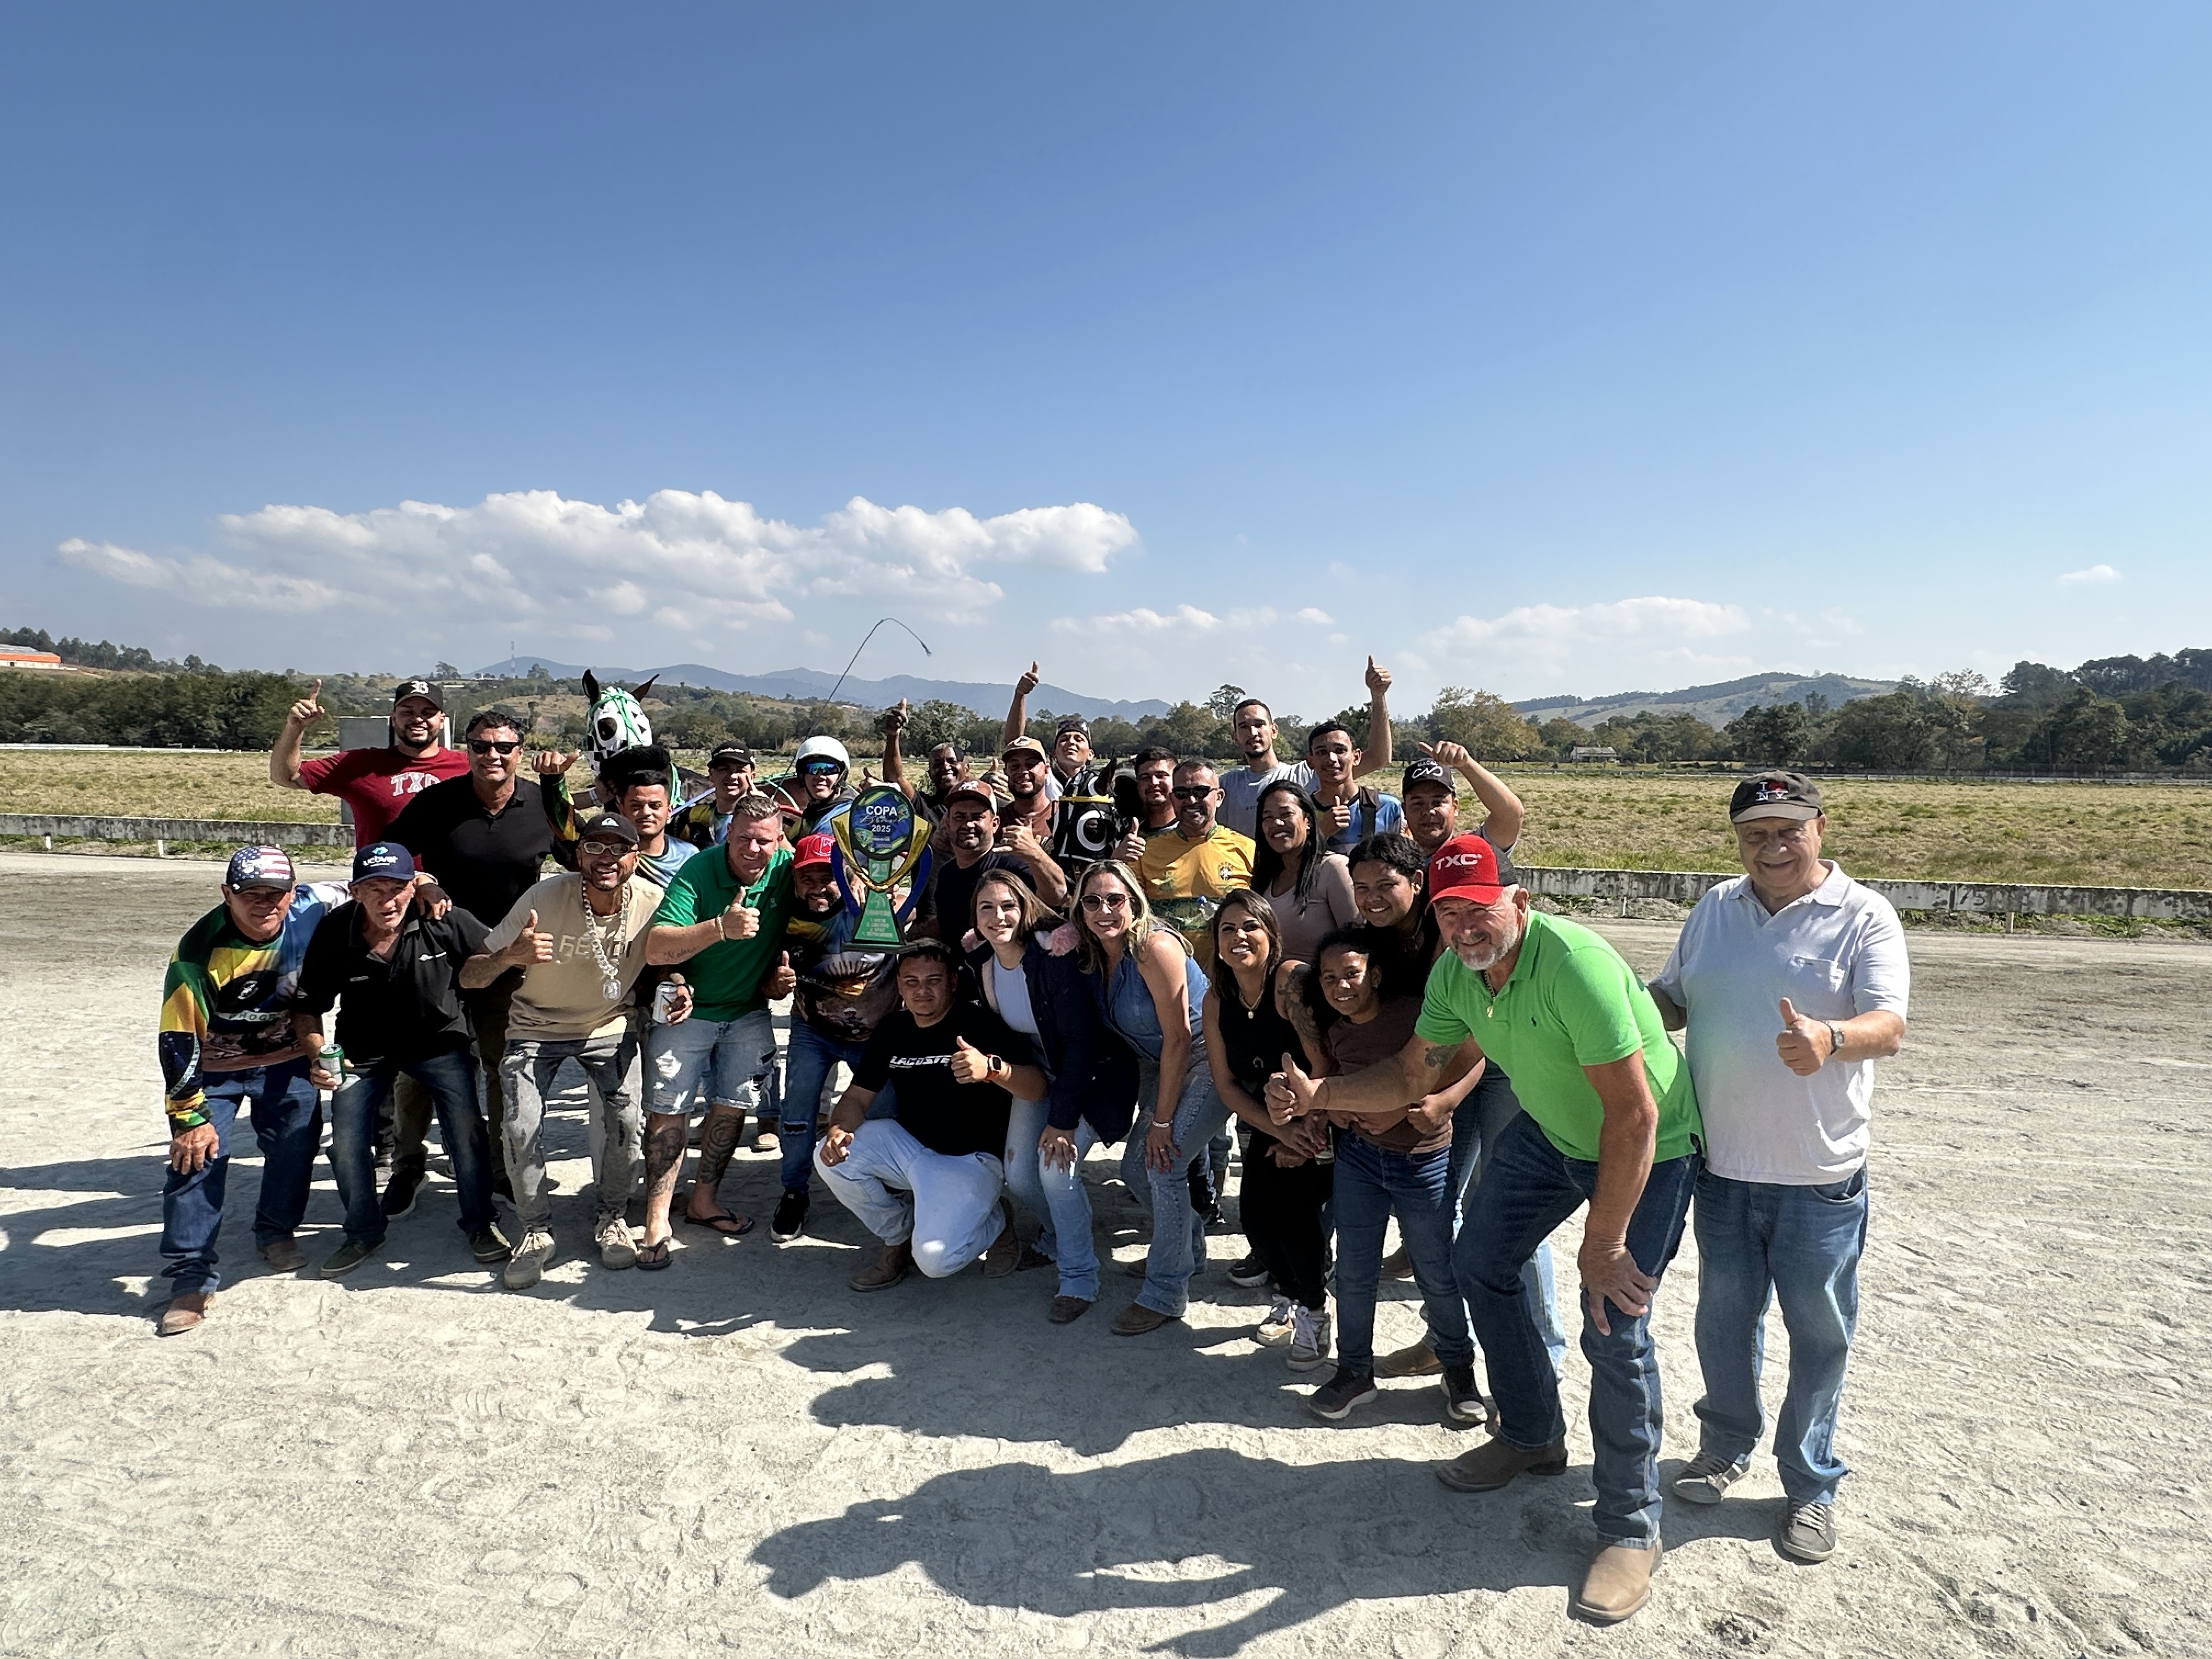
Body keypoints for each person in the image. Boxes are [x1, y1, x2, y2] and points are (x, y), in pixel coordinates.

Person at [1267, 832, 1701, 1626]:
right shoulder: (1455, 975)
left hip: (1648, 1143)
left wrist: (1603, 1244)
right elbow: (1411, 1075)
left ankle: (1630, 1527)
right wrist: (1320, 1095)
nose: (1466, 926)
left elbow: (1634, 1115)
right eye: (1449, 912)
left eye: (1480, 908)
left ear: (1519, 902)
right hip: (1554, 1132)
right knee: (1480, 1263)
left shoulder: (1574, 965)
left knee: (1613, 1319)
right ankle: (1532, 1435)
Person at [1646, 772, 1909, 1566]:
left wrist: (1831, 1038)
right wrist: (1616, 1006)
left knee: (1820, 1333)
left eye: (1788, 830)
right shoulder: (1714, 909)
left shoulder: (1865, 914)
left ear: (1820, 828)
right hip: (1722, 1165)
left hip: (1819, 1173)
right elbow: (1673, 999)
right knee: (1724, 1321)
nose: (1773, 847)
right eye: (1756, 834)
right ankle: (1726, 1446)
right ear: (1738, 841)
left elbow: (1889, 1025)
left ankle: (1810, 1483)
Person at [1345, 832, 1568, 1381]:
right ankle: (1447, 1338)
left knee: (1509, 1207)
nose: (1373, 898)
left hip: (1493, 1068)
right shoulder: (1372, 941)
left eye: (1385, 885)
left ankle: (1544, 1358)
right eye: (1361, 888)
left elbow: (1472, 1034)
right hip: (1433, 1074)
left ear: (1416, 884)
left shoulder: (1449, 934)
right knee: (1436, 1212)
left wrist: (1439, 1099)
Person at [461, 811, 676, 1290]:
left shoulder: (653, 900)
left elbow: (672, 963)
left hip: (608, 1024)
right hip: (535, 1026)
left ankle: (612, 1217)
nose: (607, 858)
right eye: (595, 847)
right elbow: (470, 976)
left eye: (619, 848)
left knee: (626, 1118)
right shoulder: (543, 897)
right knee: (520, 1124)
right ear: (578, 855)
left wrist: (679, 986)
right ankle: (535, 1230)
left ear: (636, 857)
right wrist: (510, 956)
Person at [151, 847, 352, 1335]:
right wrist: (187, 1117)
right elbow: (178, 1037)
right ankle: (191, 1276)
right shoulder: (198, 952)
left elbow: (368, 886)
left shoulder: (312, 905)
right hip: (214, 1065)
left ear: (293, 892)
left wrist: (426, 883)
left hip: (285, 1057)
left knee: (296, 1145)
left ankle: (276, 1230)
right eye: (251, 894)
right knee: (197, 1158)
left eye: (275, 894)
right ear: (227, 894)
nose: (265, 904)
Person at [1290, 930, 1487, 1426]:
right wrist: (1334, 1111)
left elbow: (1474, 1051)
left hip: (1423, 1163)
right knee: (1354, 1272)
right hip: (1360, 1161)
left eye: (1351, 974)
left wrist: (1445, 1102)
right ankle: (1354, 1371)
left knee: (1436, 1272)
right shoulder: (1335, 1029)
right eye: (1329, 978)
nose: (1340, 986)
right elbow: (1341, 1083)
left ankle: (1458, 1368)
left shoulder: (1416, 1015)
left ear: (1375, 975)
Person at [293, 842, 510, 1279]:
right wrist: (318, 1055)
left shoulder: (442, 918)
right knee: (345, 1141)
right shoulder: (335, 930)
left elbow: (492, 958)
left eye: (396, 889)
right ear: (355, 891)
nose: (387, 901)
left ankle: (480, 1222)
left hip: (440, 1043)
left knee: (466, 1131)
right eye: (374, 889)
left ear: (414, 888)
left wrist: (514, 955)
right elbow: (308, 1006)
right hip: (362, 1052)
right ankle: (362, 1231)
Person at [385, 707, 552, 1207]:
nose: (492, 755)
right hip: (436, 954)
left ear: (520, 752)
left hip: (507, 957)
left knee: (503, 1067)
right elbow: (388, 856)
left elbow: (582, 859)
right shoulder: (438, 801)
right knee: (419, 1067)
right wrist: (421, 879)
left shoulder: (541, 806)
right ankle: (407, 1166)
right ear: (467, 751)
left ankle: (500, 1167)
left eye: (503, 747)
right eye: (481, 746)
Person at [815, 940, 1044, 1289]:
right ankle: (897, 1238)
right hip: (909, 1146)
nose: (922, 991)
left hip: (969, 1160)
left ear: (953, 981)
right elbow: (858, 1096)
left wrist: (992, 1069)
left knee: (936, 1262)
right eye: (912, 982)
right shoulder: (893, 1028)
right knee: (828, 1156)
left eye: (933, 980)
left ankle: (996, 1221)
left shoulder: (979, 1024)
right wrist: (838, 1130)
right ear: (899, 985)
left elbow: (1038, 1088)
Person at [969, 868, 1138, 1323]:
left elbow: (1082, 1044)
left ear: (1025, 909)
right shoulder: (981, 963)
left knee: (1055, 1171)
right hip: (1038, 1075)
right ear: (975, 918)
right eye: (987, 908)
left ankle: (1080, 1277)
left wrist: (1062, 1121)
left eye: (1008, 905)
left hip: (1092, 1078)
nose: (999, 916)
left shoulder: (1052, 958)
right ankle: (1060, 1235)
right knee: (1020, 1175)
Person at [637, 792, 797, 1264]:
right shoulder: (699, 869)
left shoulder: (787, 869)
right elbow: (656, 947)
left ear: (780, 840)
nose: (753, 849)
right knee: (668, 1112)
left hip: (748, 1010)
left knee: (731, 1109)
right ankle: (656, 1217)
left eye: (764, 840)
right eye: (743, 838)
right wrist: (720, 928)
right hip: (688, 1010)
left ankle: (703, 1201)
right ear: (728, 834)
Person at [1072, 860, 1229, 1336]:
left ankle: (1165, 1292)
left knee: (1162, 1164)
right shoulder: (1096, 953)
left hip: (1209, 1058)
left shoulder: (1153, 947)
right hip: (1161, 1064)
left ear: (1134, 902)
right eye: (1092, 901)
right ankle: (1187, 1248)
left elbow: (1180, 1037)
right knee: (1137, 1169)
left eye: (1114, 899)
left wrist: (1160, 1122)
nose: (1104, 910)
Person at [1200, 891, 1334, 1368]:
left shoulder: (1289, 982)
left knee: (1294, 1214)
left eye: (1250, 927)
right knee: (1256, 1221)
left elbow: (1326, 1065)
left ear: (1272, 935)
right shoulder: (1217, 999)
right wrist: (1279, 1133)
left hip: (1328, 1111)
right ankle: (1292, 1293)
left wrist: (1306, 1132)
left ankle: (1314, 1310)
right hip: (1272, 1118)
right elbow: (1226, 1085)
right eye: (1228, 929)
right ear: (1217, 944)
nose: (1239, 937)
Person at [768, 831, 902, 1243]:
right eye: (807, 878)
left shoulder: (879, 907)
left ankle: (890, 1186)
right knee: (797, 1113)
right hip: (813, 1029)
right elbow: (769, 981)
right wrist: (776, 984)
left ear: (850, 877)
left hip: (875, 1036)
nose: (818, 887)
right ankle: (795, 1190)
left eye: (829, 877)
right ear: (794, 881)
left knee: (886, 1116)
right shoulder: (785, 916)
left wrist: (893, 906)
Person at [270, 676, 468, 847]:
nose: (417, 719)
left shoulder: (469, 767)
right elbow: (286, 776)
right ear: (393, 719)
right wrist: (295, 728)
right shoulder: (360, 765)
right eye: (407, 712)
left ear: (442, 721)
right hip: (381, 879)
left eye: (427, 713)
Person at [1216, 659, 1394, 840]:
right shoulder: (1227, 784)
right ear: (1235, 737)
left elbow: (1378, 758)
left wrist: (1378, 696)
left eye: (1259, 724)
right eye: (1244, 727)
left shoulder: (1307, 775)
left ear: (1274, 730)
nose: (1253, 733)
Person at [1133, 760, 1255, 969]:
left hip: (1232, 974)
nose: (1191, 800)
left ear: (1219, 797)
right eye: (1182, 793)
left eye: (1201, 792)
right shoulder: (1145, 853)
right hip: (1168, 975)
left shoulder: (1247, 849)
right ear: (1173, 799)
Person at [921, 780, 1061, 936]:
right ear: (947, 823)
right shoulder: (946, 874)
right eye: (960, 817)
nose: (968, 824)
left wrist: (1036, 855)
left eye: (977, 817)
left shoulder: (1012, 866)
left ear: (995, 824)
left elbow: (1057, 898)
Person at [1248, 778, 1357, 962]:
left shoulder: (1332, 869)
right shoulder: (1267, 878)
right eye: (1267, 818)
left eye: (1286, 814)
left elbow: (1357, 942)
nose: (1277, 823)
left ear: (1308, 821)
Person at [1399, 741, 1524, 860]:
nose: (1429, 811)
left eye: (1438, 802)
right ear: (1405, 811)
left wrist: (1466, 764)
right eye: (1418, 803)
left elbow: (1511, 815)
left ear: (1455, 807)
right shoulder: (1394, 862)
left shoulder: (1474, 852)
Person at [1304, 719, 1403, 856]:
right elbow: (1289, 862)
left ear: (1356, 757)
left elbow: (1403, 859)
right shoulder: (1301, 811)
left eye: (1340, 750)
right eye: (1322, 752)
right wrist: (1322, 832)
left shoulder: (1388, 807)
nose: (1332, 758)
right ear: (1310, 761)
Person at [603, 748, 697, 889]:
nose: (646, 813)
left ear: (669, 811)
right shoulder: (609, 855)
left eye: (655, 806)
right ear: (621, 809)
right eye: (636, 806)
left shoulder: (689, 856)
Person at [1000, 662, 1094, 794]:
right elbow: (1014, 743)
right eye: (1064, 739)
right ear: (1054, 753)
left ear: (1091, 754)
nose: (1071, 742)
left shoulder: (1098, 782)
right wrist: (1020, 695)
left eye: (1079, 739)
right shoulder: (1043, 776)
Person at [672, 741, 757, 850]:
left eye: (740, 770)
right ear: (711, 775)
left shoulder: (763, 819)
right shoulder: (691, 817)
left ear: (752, 777)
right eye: (724, 769)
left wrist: (766, 809)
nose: (732, 776)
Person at [1108, 746, 1180, 861]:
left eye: (1161, 776)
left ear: (1177, 780)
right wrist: (1116, 859)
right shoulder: (1127, 839)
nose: (1154, 782)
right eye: (1145, 777)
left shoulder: (1193, 831)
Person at [996, 736, 1062, 856]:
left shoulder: (1063, 816)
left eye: (1031, 765)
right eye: (1015, 766)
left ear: (1046, 770)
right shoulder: (995, 819)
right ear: (1006, 772)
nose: (1023, 772)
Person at [786, 734, 859, 834]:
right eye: (812, 769)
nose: (820, 776)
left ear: (841, 776)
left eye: (829, 769)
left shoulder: (853, 818)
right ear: (802, 776)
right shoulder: (809, 817)